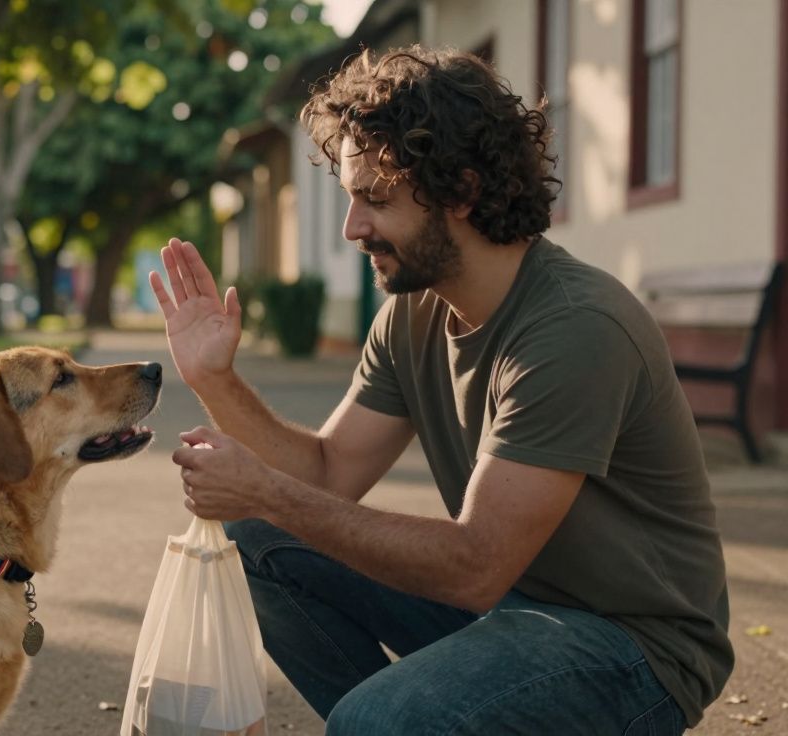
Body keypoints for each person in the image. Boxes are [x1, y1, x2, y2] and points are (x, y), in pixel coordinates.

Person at [149, 45, 732, 734]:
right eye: (350, 199)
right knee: (259, 541)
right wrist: (215, 379)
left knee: (380, 717)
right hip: (510, 608)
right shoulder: (414, 311)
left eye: (376, 199)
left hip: (634, 645)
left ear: (459, 192)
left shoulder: (574, 328)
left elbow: (474, 566)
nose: (353, 228)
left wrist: (268, 490)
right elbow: (330, 473)